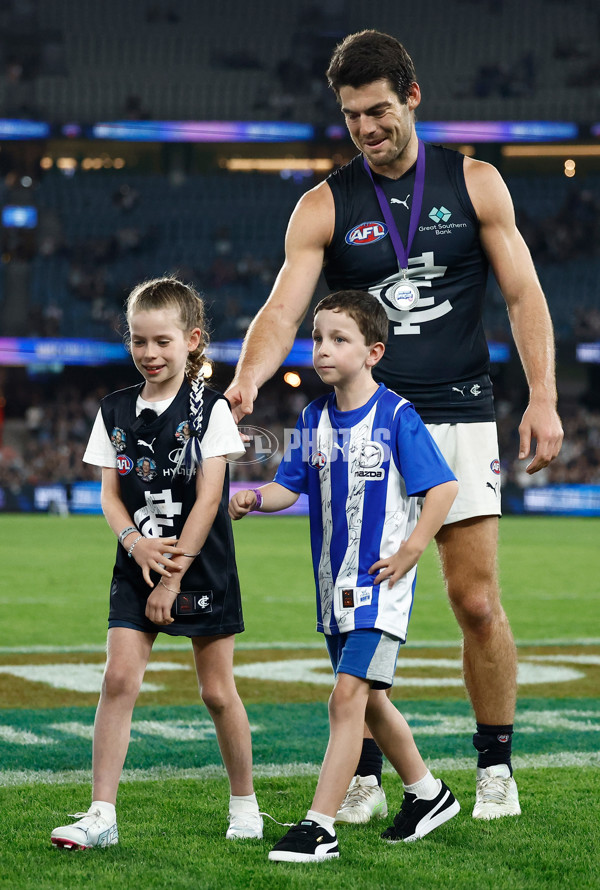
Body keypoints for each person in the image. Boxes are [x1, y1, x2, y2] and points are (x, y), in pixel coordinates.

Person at [225, 30, 564, 822]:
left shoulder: (475, 183)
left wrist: (541, 394)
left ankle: (494, 769)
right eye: (352, 118)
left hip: (458, 415)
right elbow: (284, 307)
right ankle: (369, 774)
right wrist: (246, 379)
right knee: (355, 606)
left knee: (475, 600)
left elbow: (524, 294)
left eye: (379, 111)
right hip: (361, 427)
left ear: (413, 97)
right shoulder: (324, 203)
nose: (367, 129)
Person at [230, 290, 459, 862]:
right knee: (373, 702)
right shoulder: (312, 418)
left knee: (346, 698)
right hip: (334, 589)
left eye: (340, 339)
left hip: (380, 587)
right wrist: (256, 496)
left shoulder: (397, 416)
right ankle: (429, 795)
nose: (324, 349)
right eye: (318, 338)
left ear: (373, 351)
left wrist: (411, 548)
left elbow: (445, 487)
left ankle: (319, 826)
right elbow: (292, 485)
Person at [51, 277, 262, 850]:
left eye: (162, 342)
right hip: (135, 562)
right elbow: (109, 494)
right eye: (139, 341)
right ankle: (101, 815)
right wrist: (133, 542)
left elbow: (212, 498)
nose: (149, 353)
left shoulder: (210, 409)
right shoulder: (113, 409)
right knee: (118, 678)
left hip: (200, 566)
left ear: (192, 341)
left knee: (217, 692)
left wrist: (172, 576)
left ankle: (245, 804)